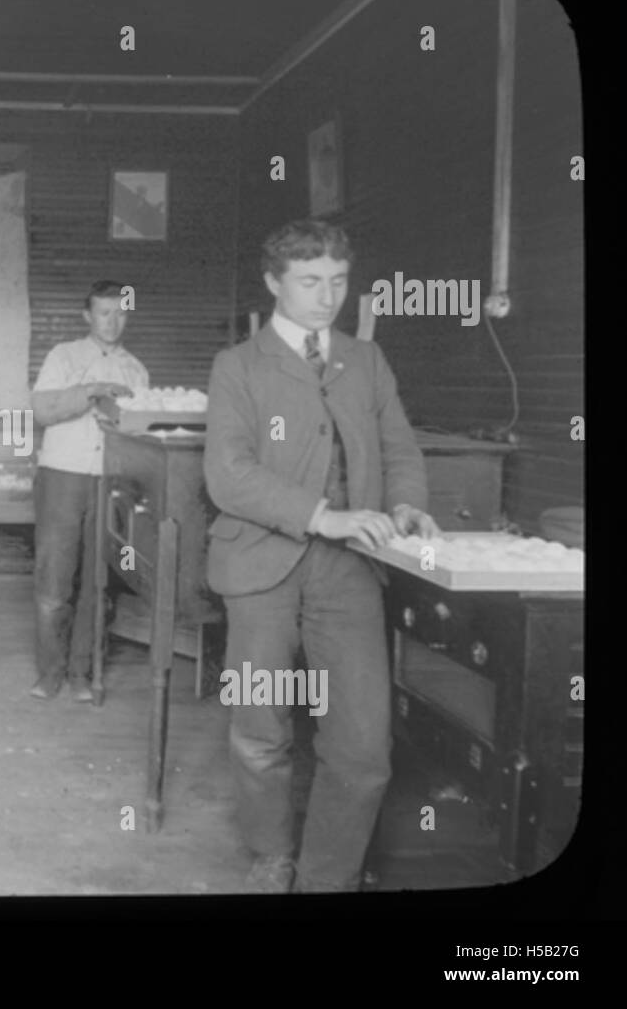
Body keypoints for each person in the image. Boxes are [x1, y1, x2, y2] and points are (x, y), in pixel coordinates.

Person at [203, 219, 439, 893]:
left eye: (338, 281)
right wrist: (324, 516)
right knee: (260, 729)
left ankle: (327, 878)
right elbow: (229, 475)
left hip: (349, 574)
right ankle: (272, 853)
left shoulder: (366, 362)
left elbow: (399, 449)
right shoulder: (237, 367)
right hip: (259, 568)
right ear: (274, 282)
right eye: (310, 282)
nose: (327, 296)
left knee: (363, 746)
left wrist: (405, 503)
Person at [29, 280, 149, 701]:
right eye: (103, 312)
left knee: (98, 583)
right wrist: (92, 392)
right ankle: (49, 672)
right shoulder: (64, 356)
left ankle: (82, 673)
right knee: (54, 580)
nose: (112, 321)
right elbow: (43, 409)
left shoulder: (136, 370)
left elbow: (142, 432)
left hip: (111, 481)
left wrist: (122, 427)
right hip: (63, 477)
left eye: (119, 312)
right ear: (88, 316)